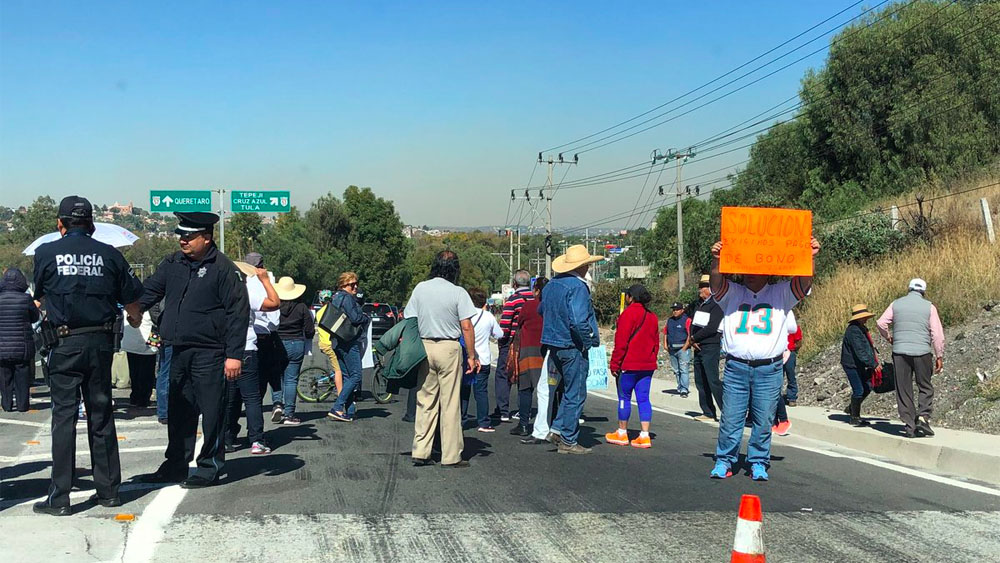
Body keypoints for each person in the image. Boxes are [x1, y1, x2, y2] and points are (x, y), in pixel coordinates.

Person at [31, 196, 144, 515]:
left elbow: (39, 293)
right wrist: (135, 319)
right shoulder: (110, 255)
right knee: (101, 414)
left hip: (64, 343)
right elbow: (133, 301)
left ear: (60, 223)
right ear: (92, 224)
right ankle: (109, 491)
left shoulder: (46, 253)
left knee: (64, 418)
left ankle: (61, 496)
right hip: (100, 344)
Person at [132, 211, 250, 489]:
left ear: (206, 238)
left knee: (212, 412)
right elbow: (151, 290)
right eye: (180, 235)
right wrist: (134, 308)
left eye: (189, 236)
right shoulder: (173, 263)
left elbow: (237, 313)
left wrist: (234, 355)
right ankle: (176, 464)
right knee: (179, 411)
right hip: (178, 350)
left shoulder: (223, 269)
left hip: (211, 352)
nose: (183, 240)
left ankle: (209, 466)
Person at [708, 236, 820, 482]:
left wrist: (809, 258)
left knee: (764, 418)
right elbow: (716, 284)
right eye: (746, 269)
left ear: (768, 272)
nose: (750, 274)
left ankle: (758, 461)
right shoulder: (733, 293)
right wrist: (717, 261)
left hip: (769, 369)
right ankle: (724, 460)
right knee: (731, 417)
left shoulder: (781, 292)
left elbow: (803, 283)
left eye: (755, 269)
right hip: (736, 367)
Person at [404, 251, 479, 468]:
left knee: (425, 399)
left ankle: (420, 450)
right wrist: (472, 356)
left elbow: (410, 318)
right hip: (449, 347)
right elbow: (466, 326)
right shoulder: (458, 292)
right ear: (455, 268)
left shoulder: (421, 288)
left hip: (425, 346)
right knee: (450, 403)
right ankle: (451, 455)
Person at [539, 244, 603, 455]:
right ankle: (568, 439)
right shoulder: (577, 287)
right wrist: (588, 340)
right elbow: (578, 321)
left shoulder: (551, 286)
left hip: (553, 343)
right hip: (571, 345)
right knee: (576, 392)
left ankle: (558, 429)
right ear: (583, 266)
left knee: (566, 389)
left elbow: (542, 310)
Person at [876, 278, 945, 438]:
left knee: (904, 388)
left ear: (909, 289)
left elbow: (881, 323)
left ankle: (909, 426)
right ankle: (923, 416)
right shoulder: (929, 307)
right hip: (922, 352)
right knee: (925, 386)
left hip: (900, 353)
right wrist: (939, 355)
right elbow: (937, 334)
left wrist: (889, 338)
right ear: (923, 292)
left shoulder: (896, 304)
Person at [225, 262, 279, 455]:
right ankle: (256, 440)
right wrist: (265, 281)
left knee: (230, 398)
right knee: (252, 398)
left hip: (225, 350)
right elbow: (274, 303)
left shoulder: (218, 291)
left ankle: (227, 438)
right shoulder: (247, 293)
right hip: (246, 347)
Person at [605, 283, 659, 448]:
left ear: (630, 297)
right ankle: (645, 434)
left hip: (629, 365)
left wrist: (615, 364)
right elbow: (656, 344)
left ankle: (622, 432)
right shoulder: (652, 317)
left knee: (624, 398)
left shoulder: (627, 315)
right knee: (643, 399)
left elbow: (621, 343)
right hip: (647, 365)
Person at [243, 252, 284, 422]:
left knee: (253, 381)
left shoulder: (241, 284)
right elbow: (274, 316)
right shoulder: (265, 283)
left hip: (247, 337)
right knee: (274, 373)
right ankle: (277, 403)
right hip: (265, 336)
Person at [326, 272, 370, 422]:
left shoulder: (335, 298)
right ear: (343, 285)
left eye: (356, 283)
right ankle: (337, 407)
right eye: (352, 284)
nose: (355, 287)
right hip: (349, 341)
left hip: (337, 341)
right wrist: (366, 317)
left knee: (347, 377)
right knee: (356, 376)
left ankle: (350, 411)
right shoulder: (347, 299)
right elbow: (356, 318)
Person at [509, 277, 548, 437]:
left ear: (536, 290)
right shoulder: (552, 307)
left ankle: (523, 424)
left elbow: (519, 323)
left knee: (525, 388)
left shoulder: (529, 305)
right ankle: (548, 424)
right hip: (547, 350)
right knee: (548, 391)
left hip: (528, 351)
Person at [461, 287, 502, 433]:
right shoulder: (488, 316)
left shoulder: (463, 316)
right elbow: (499, 334)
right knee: (481, 392)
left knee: (463, 391)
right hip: (483, 359)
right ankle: (484, 422)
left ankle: (461, 419)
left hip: (466, 358)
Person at [0, 268, 40, 413]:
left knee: (4, 376)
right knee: (22, 375)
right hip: (22, 344)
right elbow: (35, 317)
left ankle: (7, 404)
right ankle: (23, 405)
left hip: (2, 345)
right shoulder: (25, 299)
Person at [275, 276, 313, 425]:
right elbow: (309, 330)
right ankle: (289, 414)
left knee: (276, 377)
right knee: (291, 380)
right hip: (296, 342)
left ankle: (277, 404)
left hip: (277, 343)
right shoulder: (302, 307)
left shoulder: (274, 305)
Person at [496, 270, 533, 423]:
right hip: (530, 344)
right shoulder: (535, 299)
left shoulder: (512, 300)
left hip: (512, 343)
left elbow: (504, 326)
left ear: (514, 283)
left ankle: (503, 411)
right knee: (525, 378)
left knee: (504, 375)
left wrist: (501, 341)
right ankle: (524, 410)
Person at [689, 274, 724, 422]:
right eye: (701, 287)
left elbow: (712, 328)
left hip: (710, 346)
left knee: (713, 380)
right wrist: (692, 338)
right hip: (698, 347)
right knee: (700, 381)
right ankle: (708, 411)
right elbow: (693, 323)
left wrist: (694, 338)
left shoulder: (717, 304)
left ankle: (726, 412)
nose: (701, 290)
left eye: (704, 287)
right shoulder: (699, 305)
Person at [841, 304, 878, 427]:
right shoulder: (853, 331)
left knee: (867, 387)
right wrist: (872, 364)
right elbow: (860, 350)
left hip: (858, 364)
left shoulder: (860, 329)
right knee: (859, 390)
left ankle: (852, 408)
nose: (866, 319)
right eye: (864, 317)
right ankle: (854, 417)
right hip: (852, 365)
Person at [121, 309, 157, 408]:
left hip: (130, 338)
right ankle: (143, 399)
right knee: (147, 372)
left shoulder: (129, 301)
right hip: (146, 338)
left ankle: (135, 397)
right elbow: (156, 315)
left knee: (134, 371)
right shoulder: (150, 301)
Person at [314, 289, 344, 401]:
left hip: (323, 343)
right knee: (338, 370)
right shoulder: (331, 312)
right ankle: (341, 395)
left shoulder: (319, 312)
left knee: (336, 364)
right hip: (329, 344)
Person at [771, 312, 797, 437]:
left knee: (775, 388)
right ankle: (775, 420)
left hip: (784, 353)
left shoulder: (787, 322)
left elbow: (797, 336)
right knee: (773, 389)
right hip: (775, 354)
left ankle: (783, 418)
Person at [663, 302, 691, 398]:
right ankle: (679, 387)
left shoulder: (686, 320)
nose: (675, 311)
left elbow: (689, 335)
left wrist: (684, 348)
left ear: (682, 310)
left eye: (677, 309)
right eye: (673, 310)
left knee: (684, 369)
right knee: (676, 370)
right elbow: (665, 332)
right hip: (672, 349)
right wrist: (665, 344)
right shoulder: (670, 321)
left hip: (682, 349)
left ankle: (684, 389)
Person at [784, 318, 802, 407]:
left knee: (790, 375)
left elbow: (799, 342)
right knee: (778, 376)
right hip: (778, 353)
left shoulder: (794, 328)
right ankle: (776, 397)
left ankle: (792, 397)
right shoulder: (777, 327)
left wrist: (792, 349)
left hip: (790, 352)